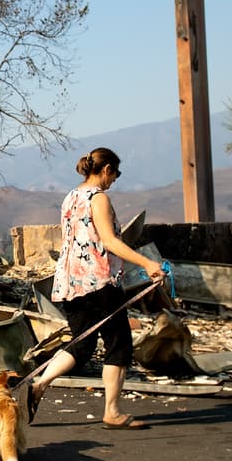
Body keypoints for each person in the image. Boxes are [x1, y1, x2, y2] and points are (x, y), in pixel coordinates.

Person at [29, 147, 165, 430]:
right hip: (98, 281)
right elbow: (110, 242)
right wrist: (147, 263)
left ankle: (40, 383)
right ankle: (112, 412)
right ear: (106, 170)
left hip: (69, 281)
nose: (115, 179)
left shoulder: (71, 197)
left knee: (82, 342)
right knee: (119, 344)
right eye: (115, 173)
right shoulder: (98, 198)